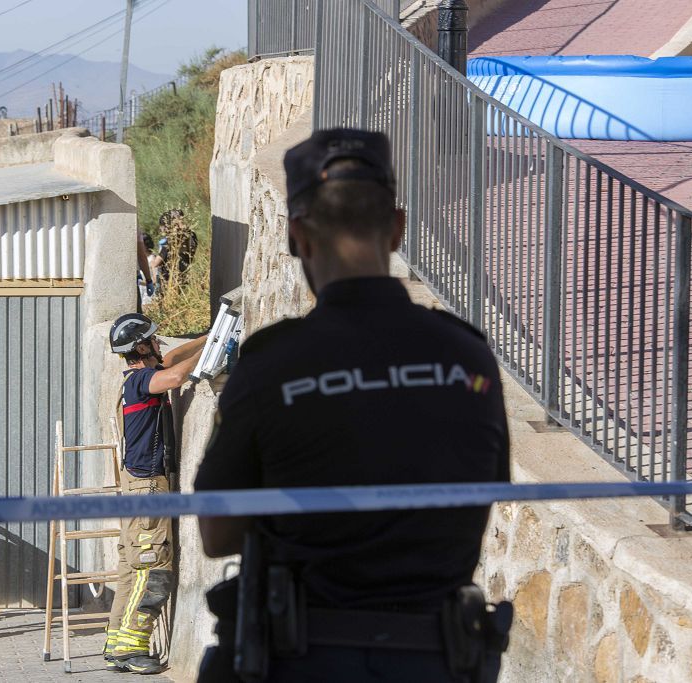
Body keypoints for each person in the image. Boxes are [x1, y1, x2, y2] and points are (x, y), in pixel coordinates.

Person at [193, 128, 512, 682]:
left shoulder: (271, 365)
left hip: (302, 660)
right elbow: (483, 498)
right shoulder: (470, 360)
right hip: (438, 661)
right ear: (397, 228)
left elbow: (217, 534)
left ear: (297, 236)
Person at [104, 312, 208, 675]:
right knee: (153, 568)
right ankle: (134, 647)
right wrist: (215, 350)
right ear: (141, 346)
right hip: (148, 487)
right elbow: (177, 375)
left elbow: (173, 360)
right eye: (153, 339)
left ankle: (117, 641)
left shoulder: (136, 377)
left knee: (131, 570)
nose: (160, 344)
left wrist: (209, 336)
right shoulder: (141, 381)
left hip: (138, 486)